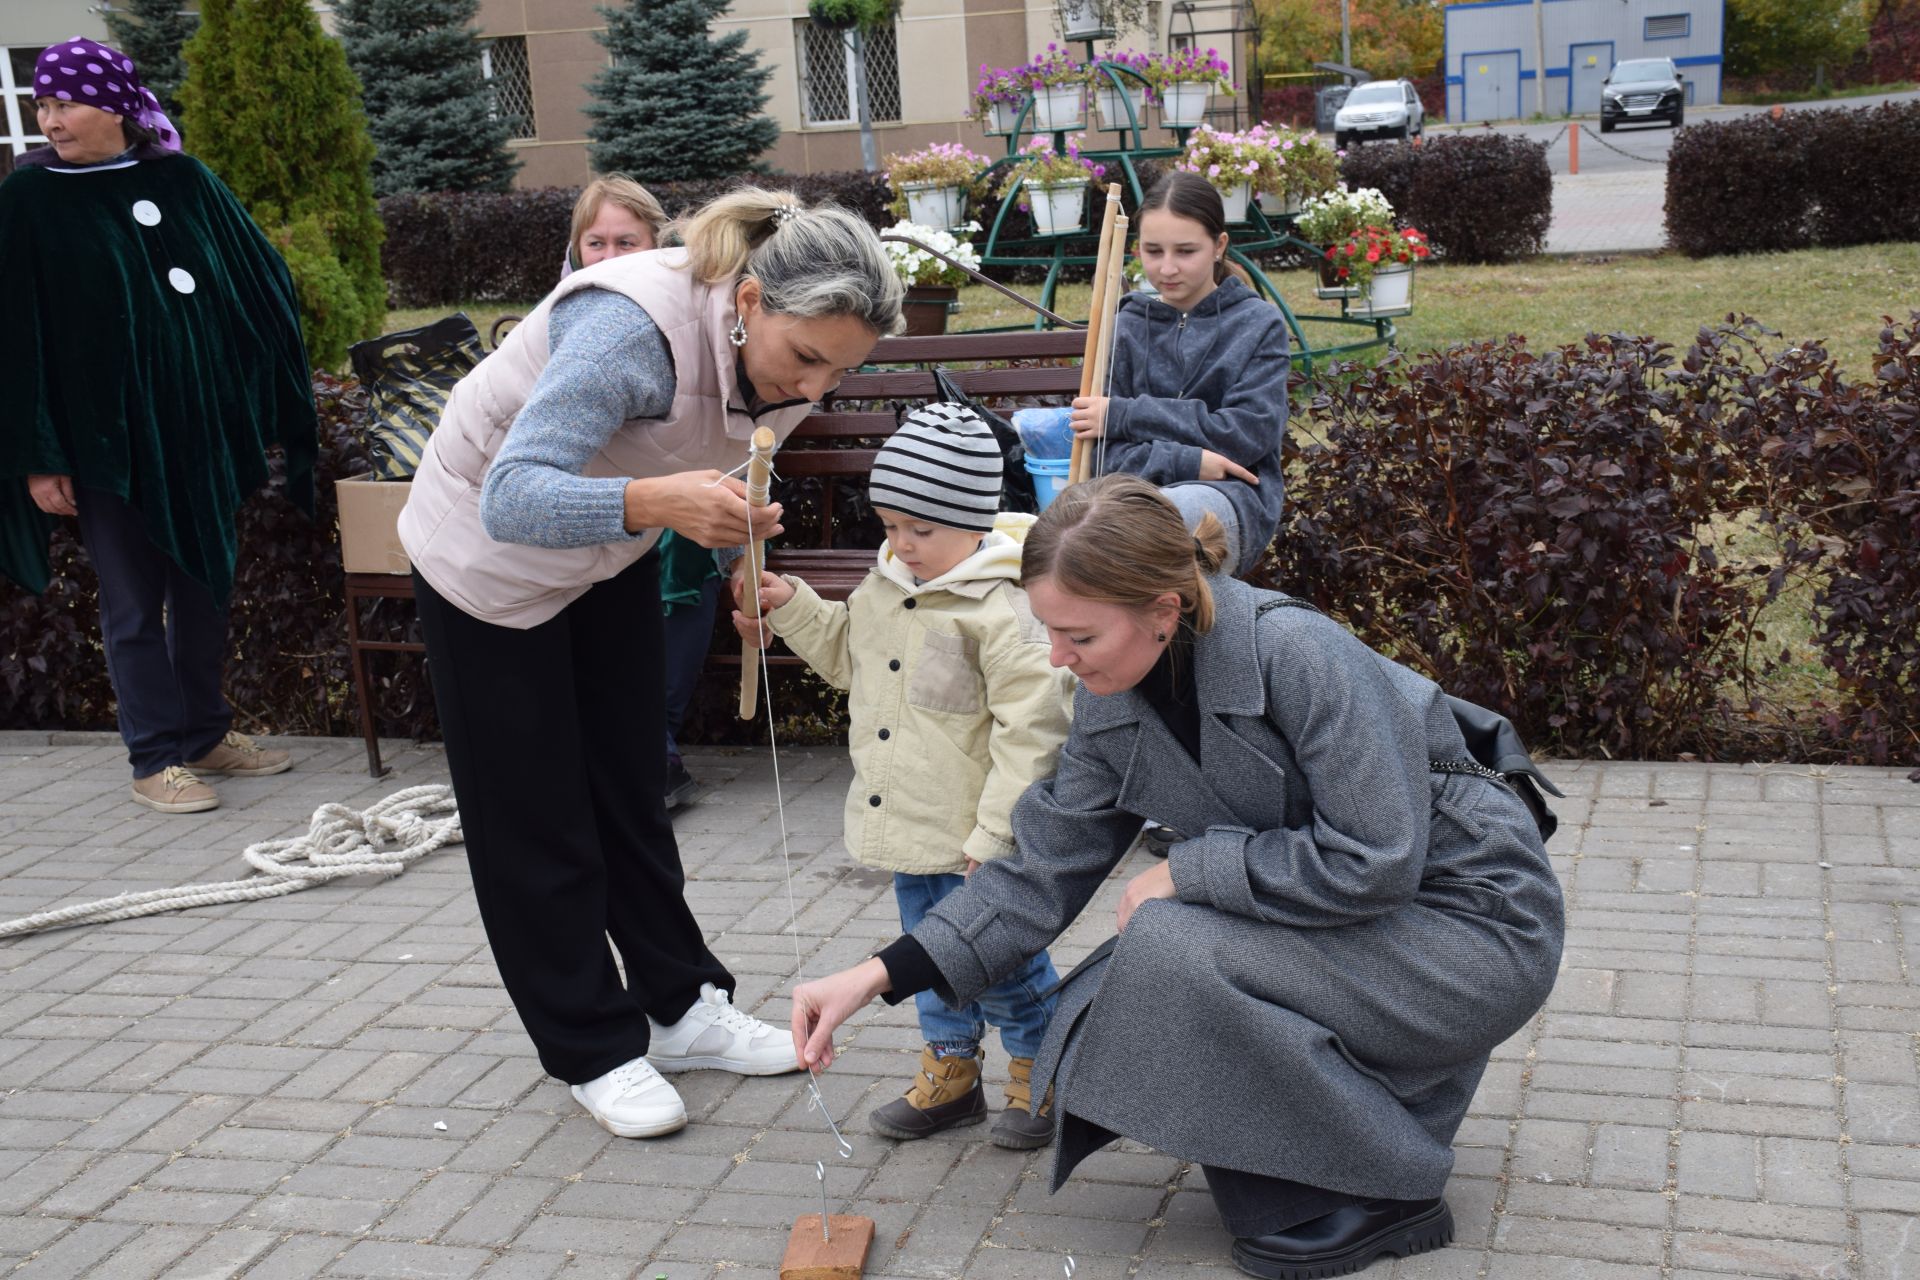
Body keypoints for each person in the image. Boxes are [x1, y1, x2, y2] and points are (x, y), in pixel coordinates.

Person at [786, 475, 1564, 1280]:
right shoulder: (1110, 698)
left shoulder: (1297, 652)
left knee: (1171, 946)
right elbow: (1038, 871)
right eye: (1049, 631)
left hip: (1475, 928)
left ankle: (1393, 1188)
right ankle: (1341, 1143)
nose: (1057, 657)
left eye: (1078, 636)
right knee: (1149, 966)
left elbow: (1376, 859)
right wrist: (877, 976)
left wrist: (1190, 871)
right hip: (1362, 922)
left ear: (1164, 610)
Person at [398, 188, 904, 1141]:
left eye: (838, 373)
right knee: (536, 818)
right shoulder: (626, 332)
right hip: (485, 561)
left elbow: (727, 472)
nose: (814, 392)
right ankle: (591, 1045)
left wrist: (739, 568)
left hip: (608, 553)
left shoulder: (794, 362)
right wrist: (652, 504)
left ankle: (680, 1008)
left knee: (631, 789)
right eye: (806, 360)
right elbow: (512, 497)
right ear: (748, 300)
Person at [733, 404, 1076, 1149]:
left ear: (975, 519)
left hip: (976, 838)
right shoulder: (886, 583)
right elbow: (848, 662)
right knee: (922, 950)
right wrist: (793, 609)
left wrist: (999, 830)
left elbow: (1035, 730)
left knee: (1001, 961)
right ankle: (952, 1071)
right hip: (910, 826)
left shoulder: (1005, 605)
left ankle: (1041, 1064)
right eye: (890, 525)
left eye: (921, 529)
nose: (902, 544)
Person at [0, 37, 315, 815]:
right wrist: (40, 458)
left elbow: (255, 280)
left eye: (64, 101)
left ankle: (206, 733)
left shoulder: (183, 179)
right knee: (134, 602)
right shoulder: (30, 198)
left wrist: (251, 397)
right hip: (107, 447)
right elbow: (16, 334)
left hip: (198, 434)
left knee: (206, 585)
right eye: (42, 104)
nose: (51, 118)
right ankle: (154, 758)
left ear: (113, 106)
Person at [558, 175, 708, 809]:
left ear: (657, 244)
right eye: (596, 243)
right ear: (575, 250)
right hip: (591, 496)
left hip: (677, 487)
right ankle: (618, 743)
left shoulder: (683, 312)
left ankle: (658, 738)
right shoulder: (564, 312)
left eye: (627, 241)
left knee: (685, 542)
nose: (611, 258)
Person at [1068, 170, 1291, 578]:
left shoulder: (1259, 325)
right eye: (1153, 251)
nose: (1167, 268)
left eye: (1185, 251)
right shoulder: (1125, 326)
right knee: (1070, 536)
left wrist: (1124, 415)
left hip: (1226, 497)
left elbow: (1243, 437)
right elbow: (1100, 454)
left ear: (1218, 246)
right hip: (1128, 494)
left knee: (1157, 530)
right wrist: (1189, 460)